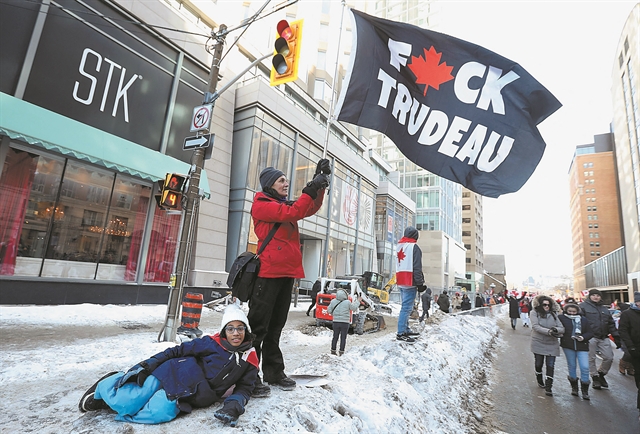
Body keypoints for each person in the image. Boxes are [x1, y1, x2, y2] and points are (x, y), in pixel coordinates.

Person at [78, 304, 258, 427]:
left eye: (240, 328)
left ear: (246, 330)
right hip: (174, 372)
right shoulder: (211, 343)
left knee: (159, 413)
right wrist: (150, 363)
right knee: (130, 401)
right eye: (231, 328)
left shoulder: (250, 360)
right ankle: (108, 385)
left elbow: (245, 388)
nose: (236, 333)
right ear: (224, 332)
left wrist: (233, 406)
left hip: (191, 394)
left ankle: (113, 406)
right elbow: (177, 351)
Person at [248, 161, 329, 397]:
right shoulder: (263, 206)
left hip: (285, 274)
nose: (286, 183)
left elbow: (307, 209)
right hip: (267, 274)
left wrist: (319, 183)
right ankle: (249, 376)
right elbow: (294, 211)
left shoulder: (281, 205)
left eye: (286, 179)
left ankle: (274, 373)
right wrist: (310, 188)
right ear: (269, 185)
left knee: (275, 327)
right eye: (281, 180)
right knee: (257, 328)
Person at [579, 289, 622, 390]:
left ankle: (601, 374)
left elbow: (611, 323)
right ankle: (595, 378)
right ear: (589, 296)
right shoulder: (583, 306)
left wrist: (616, 336)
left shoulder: (604, 309)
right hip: (590, 336)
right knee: (591, 358)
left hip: (603, 336)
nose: (596, 297)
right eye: (593, 295)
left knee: (609, 357)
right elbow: (579, 321)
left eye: (597, 295)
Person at [558, 302, 595, 400]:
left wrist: (583, 337)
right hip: (568, 345)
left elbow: (590, 332)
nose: (572, 313)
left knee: (585, 367)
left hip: (582, 345)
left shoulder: (584, 320)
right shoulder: (561, 318)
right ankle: (574, 388)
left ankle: (585, 391)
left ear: (577, 311)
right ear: (566, 310)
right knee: (572, 366)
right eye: (570, 311)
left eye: (574, 311)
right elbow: (558, 328)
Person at [395, 226, 425, 343]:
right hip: (410, 280)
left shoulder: (400, 246)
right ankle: (401, 332)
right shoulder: (414, 247)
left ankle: (405, 328)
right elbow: (417, 267)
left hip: (401, 279)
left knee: (405, 307)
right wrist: (420, 283)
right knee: (406, 308)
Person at [530, 295, 564, 396]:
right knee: (538, 364)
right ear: (540, 305)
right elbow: (535, 326)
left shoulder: (554, 314)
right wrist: (549, 331)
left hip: (552, 343)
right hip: (538, 342)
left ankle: (549, 387)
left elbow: (561, 327)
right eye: (544, 304)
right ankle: (539, 379)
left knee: (550, 365)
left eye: (548, 305)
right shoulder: (534, 313)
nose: (546, 306)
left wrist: (556, 331)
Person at [619, 292, 640, 421]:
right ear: (636, 302)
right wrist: (631, 348)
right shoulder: (627, 314)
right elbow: (623, 331)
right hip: (637, 351)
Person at [327, 288, 360, 356]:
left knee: (335, 337)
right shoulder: (347, 302)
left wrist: (335, 314)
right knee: (343, 338)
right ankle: (341, 352)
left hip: (336, 322)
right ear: (345, 295)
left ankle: (333, 351)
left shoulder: (333, 301)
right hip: (345, 323)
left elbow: (329, 311)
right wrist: (358, 302)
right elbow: (353, 308)